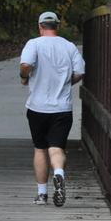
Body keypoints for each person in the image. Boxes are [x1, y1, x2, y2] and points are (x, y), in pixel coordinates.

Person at [19, 11, 85, 207]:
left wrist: (24, 76)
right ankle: (59, 173)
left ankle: (42, 194)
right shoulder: (69, 46)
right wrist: (67, 82)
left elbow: (25, 65)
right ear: (57, 26)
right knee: (56, 147)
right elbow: (80, 72)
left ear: (40, 27)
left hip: (38, 107)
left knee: (40, 148)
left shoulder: (34, 44)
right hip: (62, 108)